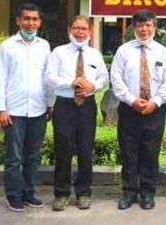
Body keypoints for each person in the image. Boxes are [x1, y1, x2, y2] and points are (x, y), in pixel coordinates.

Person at [110, 9, 166, 210]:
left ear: (154, 27)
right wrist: (131, 100)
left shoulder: (163, 52)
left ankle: (147, 192)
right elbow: (116, 80)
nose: (144, 29)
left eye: (148, 25)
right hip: (129, 109)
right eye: (140, 25)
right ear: (134, 27)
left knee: (150, 152)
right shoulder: (124, 51)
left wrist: (155, 102)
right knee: (129, 152)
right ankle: (129, 192)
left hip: (155, 110)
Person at [44, 15, 109, 211]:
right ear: (69, 30)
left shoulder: (95, 54)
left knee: (85, 151)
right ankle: (62, 194)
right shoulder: (58, 53)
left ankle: (83, 193)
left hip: (87, 105)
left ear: (90, 32)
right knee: (63, 151)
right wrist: (70, 83)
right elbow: (49, 77)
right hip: (65, 105)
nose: (80, 32)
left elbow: (104, 77)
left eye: (84, 29)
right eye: (76, 28)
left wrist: (93, 85)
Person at [0, 2, 52, 212]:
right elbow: (0, 79)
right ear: (18, 20)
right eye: (26, 19)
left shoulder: (44, 46)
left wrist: (49, 104)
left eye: (35, 19)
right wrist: (1, 108)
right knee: (13, 157)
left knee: (33, 156)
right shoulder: (7, 46)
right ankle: (13, 195)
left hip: (38, 110)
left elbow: (48, 78)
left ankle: (29, 193)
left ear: (40, 22)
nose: (30, 23)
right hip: (14, 112)